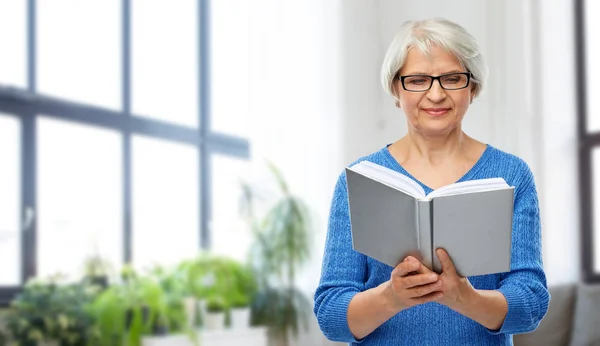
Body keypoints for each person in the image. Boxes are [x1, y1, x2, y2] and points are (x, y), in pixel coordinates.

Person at [313, 18, 549, 346]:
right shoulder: (359, 180)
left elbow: (531, 305)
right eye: (418, 80)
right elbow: (330, 316)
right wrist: (392, 297)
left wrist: (465, 298)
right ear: (396, 88)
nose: (435, 95)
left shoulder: (511, 175)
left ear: (473, 87)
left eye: (452, 79)